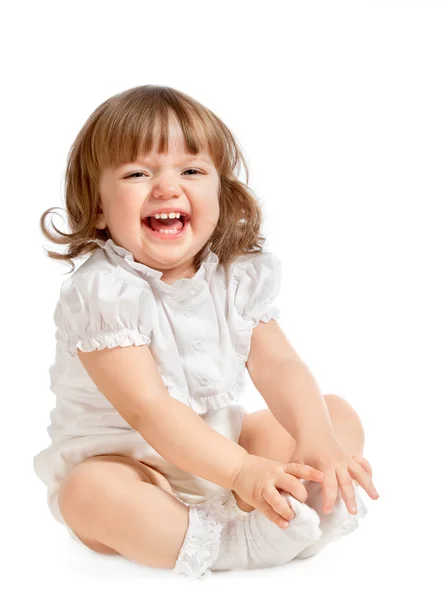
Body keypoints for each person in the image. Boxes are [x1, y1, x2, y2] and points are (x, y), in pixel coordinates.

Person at [33, 84, 379, 579]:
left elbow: (277, 364)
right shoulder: (103, 293)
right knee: (89, 493)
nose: (167, 187)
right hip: (136, 469)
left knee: (334, 413)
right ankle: (230, 546)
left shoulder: (235, 276)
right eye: (137, 173)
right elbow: (148, 409)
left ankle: (303, 500)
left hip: (226, 454)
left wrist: (315, 436)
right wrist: (242, 470)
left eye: (191, 171)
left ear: (221, 190)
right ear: (100, 208)